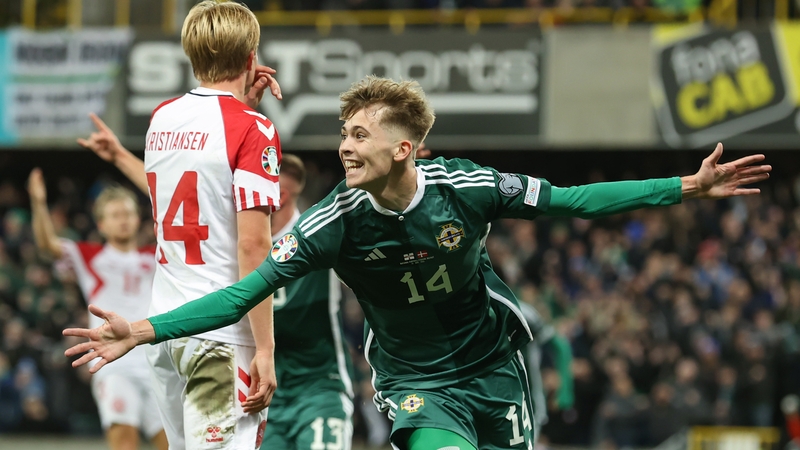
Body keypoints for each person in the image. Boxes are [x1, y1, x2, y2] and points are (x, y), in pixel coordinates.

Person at [64, 75, 771, 450]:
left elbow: (575, 201)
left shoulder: (469, 188)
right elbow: (244, 292)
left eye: (361, 134)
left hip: (495, 370)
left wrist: (688, 185)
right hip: (414, 380)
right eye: (344, 132)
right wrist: (146, 329)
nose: (345, 145)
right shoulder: (328, 225)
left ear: (405, 149)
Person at [75, 2, 283, 448]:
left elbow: (187, 197)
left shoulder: (163, 117)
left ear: (191, 57)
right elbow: (253, 247)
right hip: (222, 337)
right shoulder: (254, 129)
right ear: (251, 58)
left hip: (165, 333)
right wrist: (264, 348)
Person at [28, 170, 168, 450]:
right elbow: (46, 244)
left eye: (128, 213)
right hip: (113, 362)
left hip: (156, 360)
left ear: (138, 218)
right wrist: (39, 203)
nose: (123, 220)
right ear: (101, 224)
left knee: (171, 444)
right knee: (124, 444)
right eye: (115, 215)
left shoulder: (155, 256)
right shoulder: (87, 255)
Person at [260, 154, 356, 450]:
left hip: (319, 387)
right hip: (263, 394)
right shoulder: (238, 245)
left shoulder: (318, 235)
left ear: (279, 196)